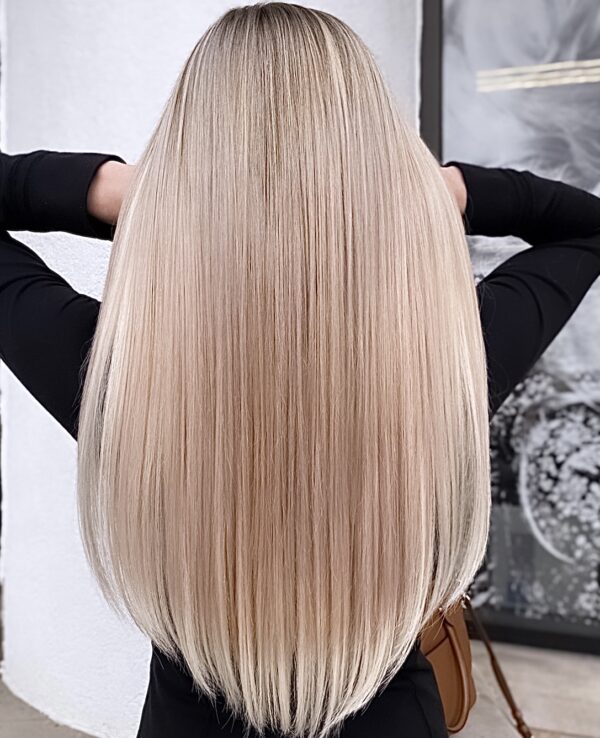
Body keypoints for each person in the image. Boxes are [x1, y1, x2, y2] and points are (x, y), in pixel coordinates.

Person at [1, 4, 599, 738]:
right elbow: (586, 225)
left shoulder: (120, 376)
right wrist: (447, 190)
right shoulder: (450, 359)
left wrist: (114, 191)